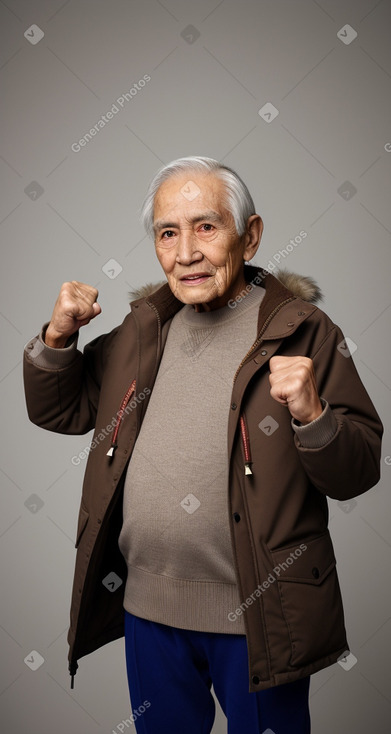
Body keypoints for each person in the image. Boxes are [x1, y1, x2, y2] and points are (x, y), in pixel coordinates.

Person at [23, 156, 383, 734]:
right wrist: (57, 338)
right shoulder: (146, 329)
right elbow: (63, 409)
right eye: (169, 233)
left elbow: (358, 470)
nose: (186, 251)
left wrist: (313, 415)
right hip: (148, 613)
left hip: (263, 616)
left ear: (251, 234)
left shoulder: (305, 329)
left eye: (206, 226)